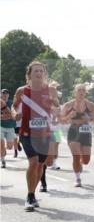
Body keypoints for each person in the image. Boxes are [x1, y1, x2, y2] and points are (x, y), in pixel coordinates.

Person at [12, 62, 59, 211]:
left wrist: (56, 110)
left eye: (41, 71)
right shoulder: (22, 91)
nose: (39, 73)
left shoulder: (50, 90)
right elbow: (14, 106)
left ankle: (32, 192)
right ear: (29, 74)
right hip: (26, 132)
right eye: (36, 71)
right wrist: (15, 114)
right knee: (33, 162)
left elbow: (57, 105)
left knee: (40, 164)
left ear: (44, 74)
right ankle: (30, 195)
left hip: (44, 133)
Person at [61, 84, 94, 187]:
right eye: (79, 90)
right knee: (76, 156)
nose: (81, 92)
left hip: (85, 132)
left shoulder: (90, 105)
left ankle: (80, 164)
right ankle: (78, 178)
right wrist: (69, 116)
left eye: (83, 90)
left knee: (86, 160)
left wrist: (90, 119)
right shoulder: (68, 105)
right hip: (73, 131)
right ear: (75, 92)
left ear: (85, 92)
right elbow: (61, 120)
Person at [0, 89, 17, 168]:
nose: (5, 95)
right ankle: (3, 161)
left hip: (10, 127)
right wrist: (5, 117)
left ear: (8, 95)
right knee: (1, 144)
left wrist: (5, 116)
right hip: (1, 127)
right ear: (1, 94)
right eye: (3, 93)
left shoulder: (11, 103)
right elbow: (8, 116)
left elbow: (12, 115)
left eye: (6, 93)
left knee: (10, 147)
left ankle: (3, 150)